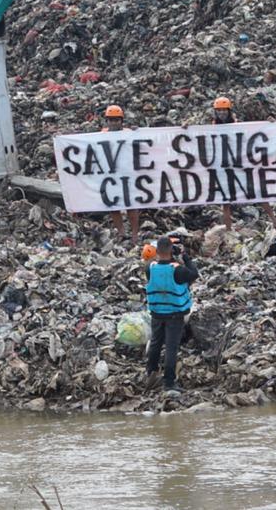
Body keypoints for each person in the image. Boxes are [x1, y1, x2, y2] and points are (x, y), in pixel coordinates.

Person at [212, 96, 276, 229]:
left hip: (240, 166)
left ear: (229, 111)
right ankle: (229, 230)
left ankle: (275, 222)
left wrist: (269, 123)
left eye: (224, 110)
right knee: (226, 201)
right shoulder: (211, 126)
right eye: (219, 110)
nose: (221, 113)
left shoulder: (239, 125)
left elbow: (253, 134)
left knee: (258, 193)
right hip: (223, 168)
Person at [145, 236, 198, 393]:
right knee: (171, 347)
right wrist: (185, 257)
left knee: (155, 342)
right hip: (175, 313)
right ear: (171, 250)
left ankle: (151, 373)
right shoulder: (178, 270)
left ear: (157, 251)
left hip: (156, 312)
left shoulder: (150, 267)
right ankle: (169, 382)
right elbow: (193, 273)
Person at [101, 105, 139, 240]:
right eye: (111, 120)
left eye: (116, 120)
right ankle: (121, 232)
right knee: (113, 205)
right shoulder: (101, 135)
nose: (114, 123)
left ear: (121, 121)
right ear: (107, 121)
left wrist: (137, 132)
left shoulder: (129, 132)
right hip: (111, 175)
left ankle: (135, 234)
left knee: (131, 205)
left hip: (128, 173)